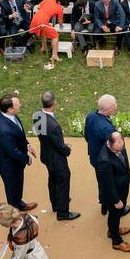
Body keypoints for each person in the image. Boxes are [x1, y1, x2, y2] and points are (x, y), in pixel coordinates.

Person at [34, 91, 78, 220]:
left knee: (53, 179)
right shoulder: (53, 126)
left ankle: (55, 203)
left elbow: (44, 136)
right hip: (56, 159)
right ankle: (63, 212)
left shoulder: (37, 115)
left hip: (46, 155)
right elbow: (60, 147)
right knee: (63, 180)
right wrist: (67, 149)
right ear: (54, 103)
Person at [0, 93, 36, 212]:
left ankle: (20, 204)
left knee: (18, 186)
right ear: (10, 109)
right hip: (9, 166)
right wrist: (27, 159)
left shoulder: (10, 116)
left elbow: (19, 134)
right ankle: (15, 217)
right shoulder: (3, 129)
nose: (20, 105)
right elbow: (12, 151)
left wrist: (27, 145)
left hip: (15, 164)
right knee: (12, 192)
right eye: (18, 105)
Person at [97, 131, 130, 252]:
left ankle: (113, 229)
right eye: (118, 149)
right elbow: (107, 183)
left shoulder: (119, 146)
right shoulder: (105, 160)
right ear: (110, 144)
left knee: (117, 214)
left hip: (122, 187)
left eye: (122, 146)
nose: (121, 150)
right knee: (114, 214)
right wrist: (116, 200)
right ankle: (116, 241)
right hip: (114, 194)